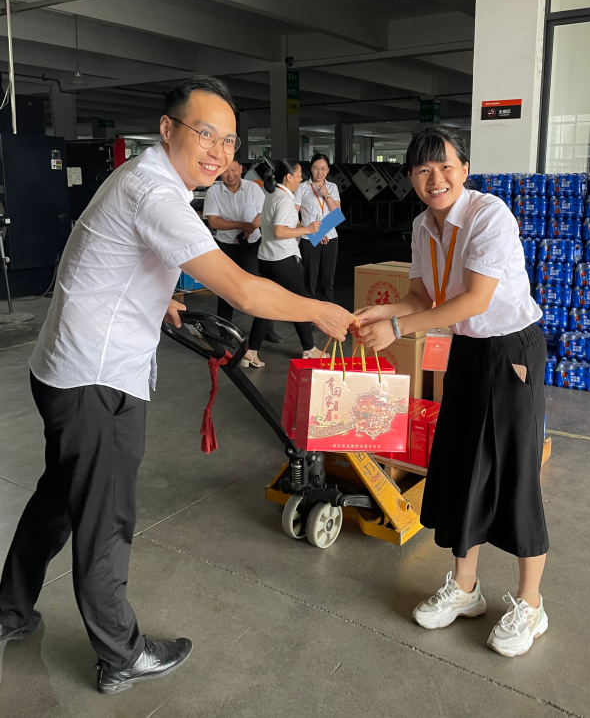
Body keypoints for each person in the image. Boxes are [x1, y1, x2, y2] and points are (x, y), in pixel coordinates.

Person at [0, 75, 351, 694]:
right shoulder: (155, 193)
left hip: (67, 369)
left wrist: (159, 298)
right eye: (205, 133)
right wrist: (320, 310)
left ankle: (8, 609)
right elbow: (241, 289)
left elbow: (105, 251)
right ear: (168, 129)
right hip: (98, 378)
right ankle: (120, 653)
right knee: (105, 516)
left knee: (59, 498)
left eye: (229, 140)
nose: (218, 151)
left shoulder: (144, 179)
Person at [352, 125, 548, 658]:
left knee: (515, 472)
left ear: (464, 169)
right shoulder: (423, 226)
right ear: (411, 177)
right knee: (463, 466)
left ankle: (531, 604)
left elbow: (475, 301)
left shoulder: (489, 216)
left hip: (511, 351)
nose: (435, 178)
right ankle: (465, 588)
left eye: (445, 166)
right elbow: (422, 296)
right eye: (423, 169)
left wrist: (398, 328)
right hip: (467, 351)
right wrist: (382, 311)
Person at [246, 159, 327, 367]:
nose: (301, 179)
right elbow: (280, 231)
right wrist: (307, 230)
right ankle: (309, 349)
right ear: (289, 177)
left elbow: (284, 225)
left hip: (267, 259)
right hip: (282, 261)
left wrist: (306, 227)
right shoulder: (284, 199)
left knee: (267, 307)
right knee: (301, 303)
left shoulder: (273, 195)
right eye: (299, 175)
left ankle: (251, 351)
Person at [203, 158, 282, 348]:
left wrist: (250, 228)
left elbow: (263, 214)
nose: (230, 174)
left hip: (252, 245)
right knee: (225, 288)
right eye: (225, 171)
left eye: (233, 170)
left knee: (258, 286)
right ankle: (224, 330)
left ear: (240, 170)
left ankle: (266, 328)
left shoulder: (253, 188)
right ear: (220, 172)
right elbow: (214, 221)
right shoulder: (214, 191)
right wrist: (242, 225)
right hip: (226, 246)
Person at [295, 153, 341, 302]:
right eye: (316, 168)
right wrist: (313, 233)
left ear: (328, 170)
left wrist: (327, 195)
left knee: (328, 280)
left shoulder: (332, 187)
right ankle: (309, 313)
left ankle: (328, 311)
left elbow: (337, 214)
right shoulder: (302, 188)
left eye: (323, 168)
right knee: (310, 280)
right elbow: (294, 215)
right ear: (311, 168)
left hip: (330, 238)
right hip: (309, 238)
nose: (319, 172)